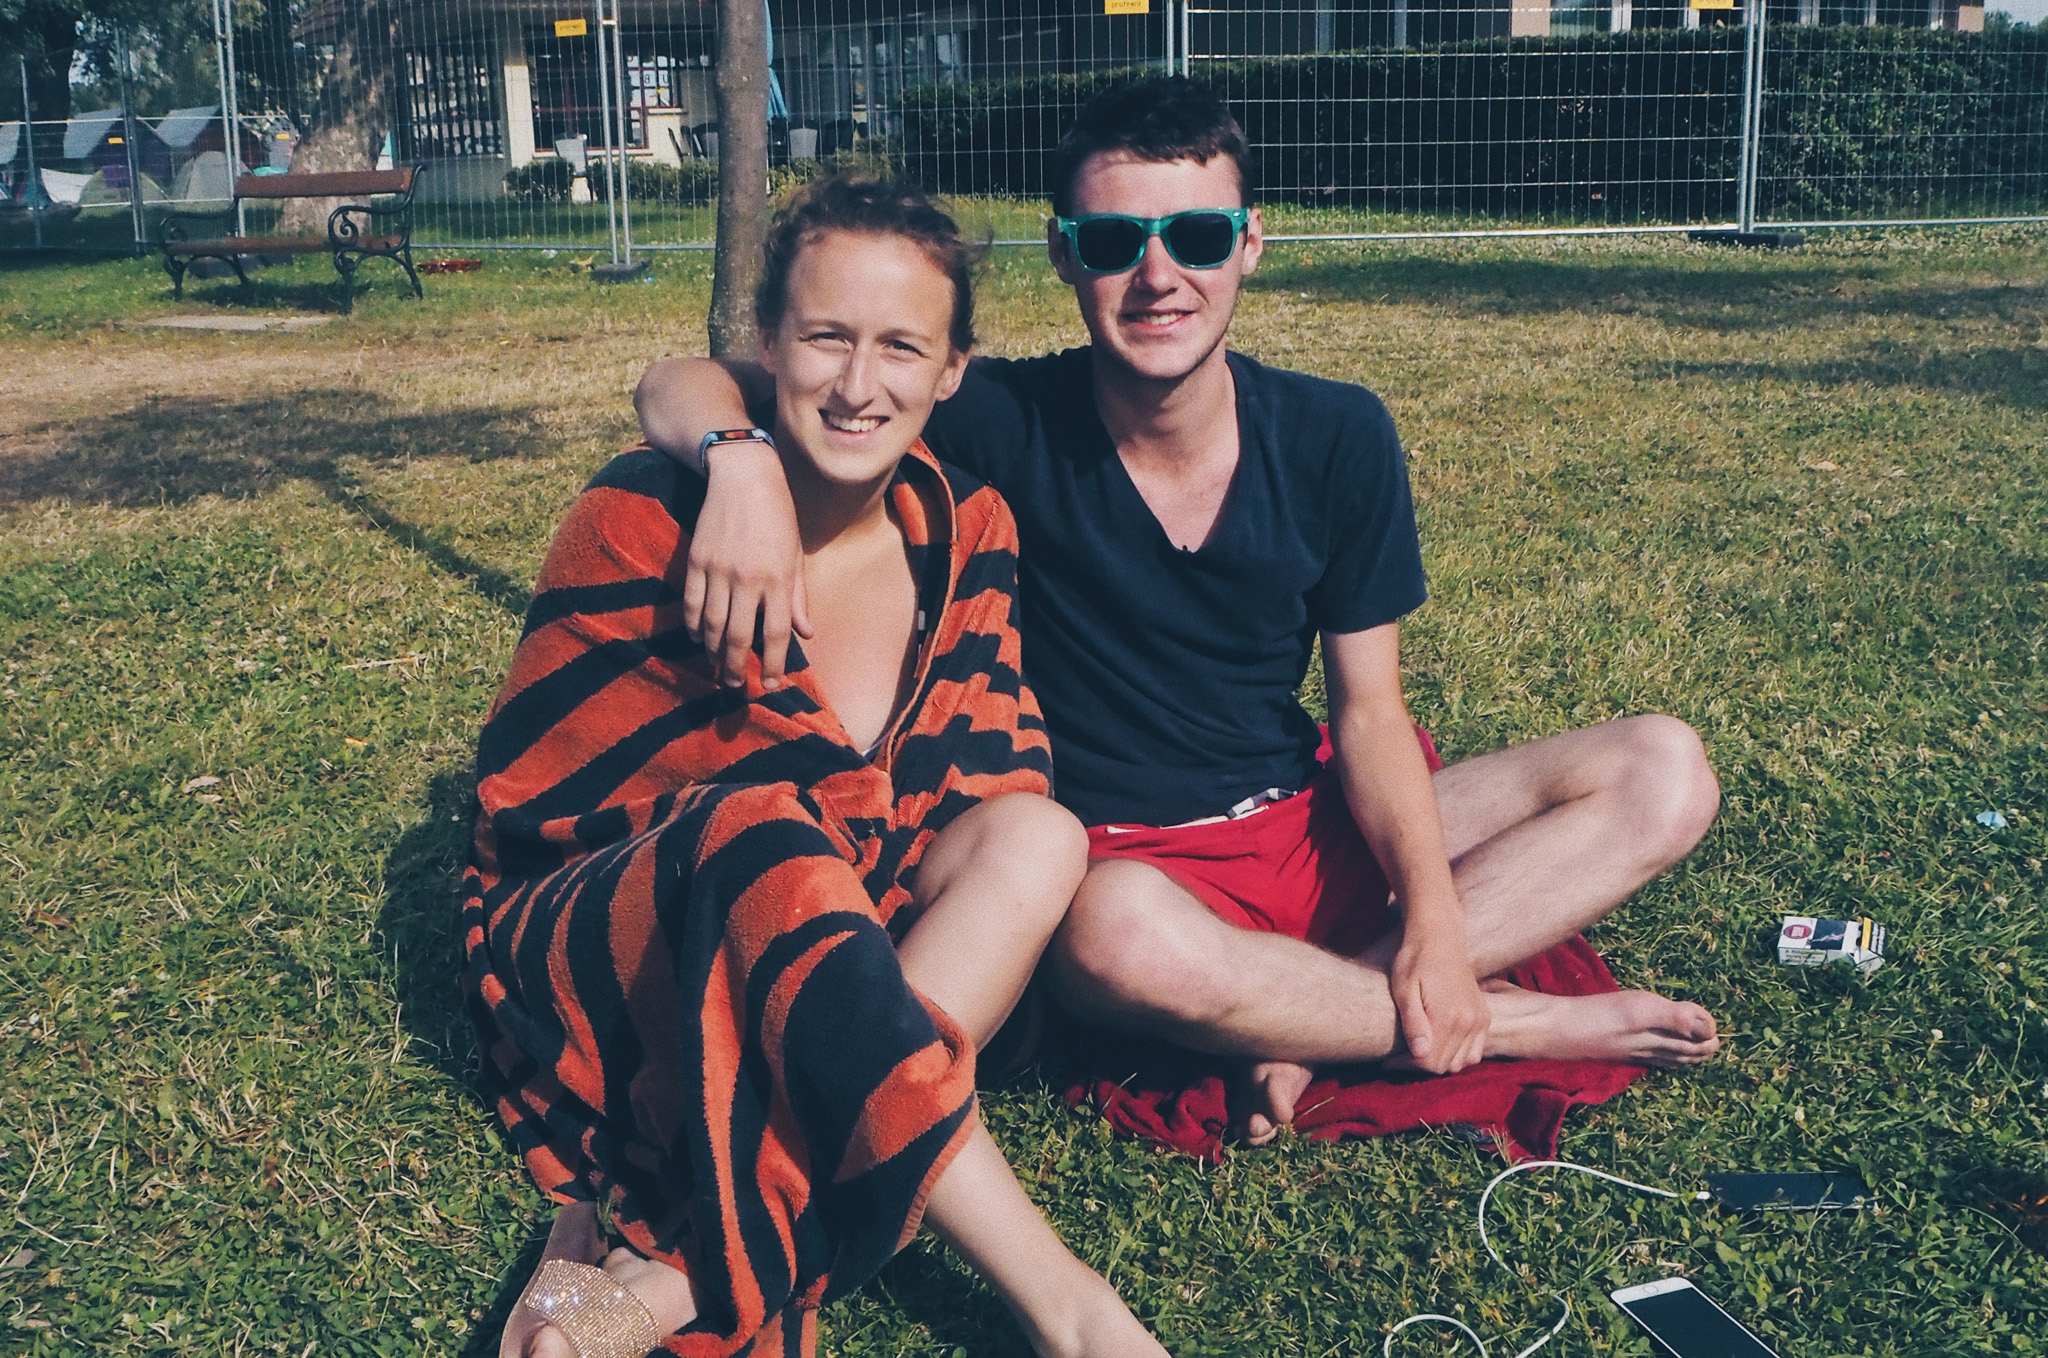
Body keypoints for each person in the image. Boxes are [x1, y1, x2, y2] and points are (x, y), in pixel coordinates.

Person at [633, 78, 1722, 1152]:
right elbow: (682, 381)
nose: (1158, 275)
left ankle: (1321, 1011)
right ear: (1064, 255)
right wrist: (740, 464)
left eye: (1195, 235)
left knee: (1662, 770)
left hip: (1307, 819)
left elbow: (1370, 714)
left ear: (1249, 243)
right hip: (1133, 872)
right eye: (1114, 242)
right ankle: (1501, 1023)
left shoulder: (1337, 433)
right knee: (1114, 940)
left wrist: (1433, 924)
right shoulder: (1004, 419)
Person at [464, 176, 1170, 1358]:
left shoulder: (966, 531)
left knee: (1039, 833)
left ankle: (681, 1261)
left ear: (952, 372)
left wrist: (837, 913)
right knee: (764, 833)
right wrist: (738, 469)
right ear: (765, 345)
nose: (857, 384)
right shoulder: (644, 513)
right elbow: (547, 808)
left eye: (901, 347)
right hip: (633, 940)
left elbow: (983, 768)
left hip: (837, 938)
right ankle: (1070, 1304)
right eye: (826, 337)